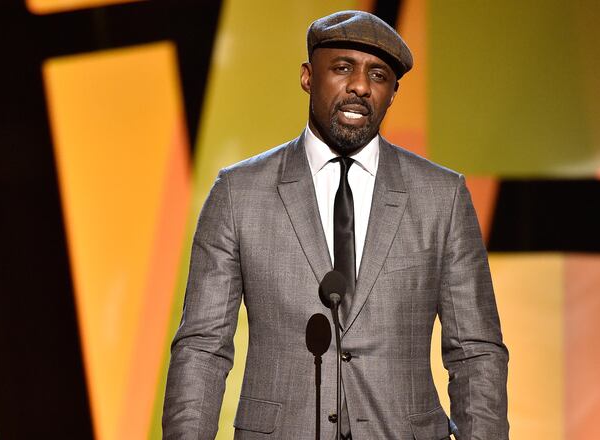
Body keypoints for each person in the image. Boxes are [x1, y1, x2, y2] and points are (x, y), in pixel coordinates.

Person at [162, 10, 508, 440]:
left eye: (378, 75)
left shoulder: (442, 196)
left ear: (393, 93)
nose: (360, 86)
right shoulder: (239, 193)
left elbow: (475, 352)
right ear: (308, 77)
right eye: (343, 68)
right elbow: (202, 347)